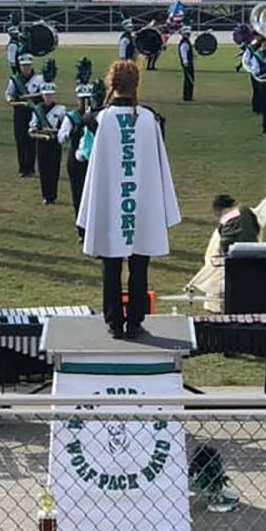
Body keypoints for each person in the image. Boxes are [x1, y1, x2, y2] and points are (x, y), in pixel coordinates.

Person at [77, 60, 181, 340]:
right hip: (139, 204)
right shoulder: (148, 119)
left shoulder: (102, 118)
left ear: (112, 84)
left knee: (110, 264)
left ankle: (114, 322)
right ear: (137, 84)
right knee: (139, 263)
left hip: (113, 203)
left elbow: (85, 124)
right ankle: (135, 320)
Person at [58, 71, 94, 239]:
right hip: (76, 159)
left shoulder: (95, 115)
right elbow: (60, 137)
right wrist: (71, 132)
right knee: (78, 194)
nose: (85, 102)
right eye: (82, 99)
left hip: (93, 159)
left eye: (88, 98)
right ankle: (82, 230)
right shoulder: (71, 117)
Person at [5, 53, 44, 178]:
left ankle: (31, 168)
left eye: (27, 66)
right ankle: (22, 168)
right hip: (20, 113)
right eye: (23, 66)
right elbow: (8, 95)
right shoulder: (15, 80)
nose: (26, 68)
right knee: (21, 140)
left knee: (31, 140)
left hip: (34, 112)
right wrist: (13, 100)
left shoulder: (39, 79)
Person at [29, 82, 66, 205]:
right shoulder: (37, 110)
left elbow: (63, 127)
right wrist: (38, 132)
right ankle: (46, 195)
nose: (48, 97)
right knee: (43, 169)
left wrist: (54, 131)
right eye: (46, 95)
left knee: (54, 169)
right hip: (42, 142)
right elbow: (33, 126)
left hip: (55, 143)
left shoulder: (60, 109)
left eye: (50, 95)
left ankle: (53, 195)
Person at [178, 26, 195, 102]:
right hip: (187, 64)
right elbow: (183, 53)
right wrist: (185, 61)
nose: (188, 35)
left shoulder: (186, 42)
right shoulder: (184, 43)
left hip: (188, 63)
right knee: (189, 79)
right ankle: (187, 96)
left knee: (189, 79)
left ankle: (188, 96)